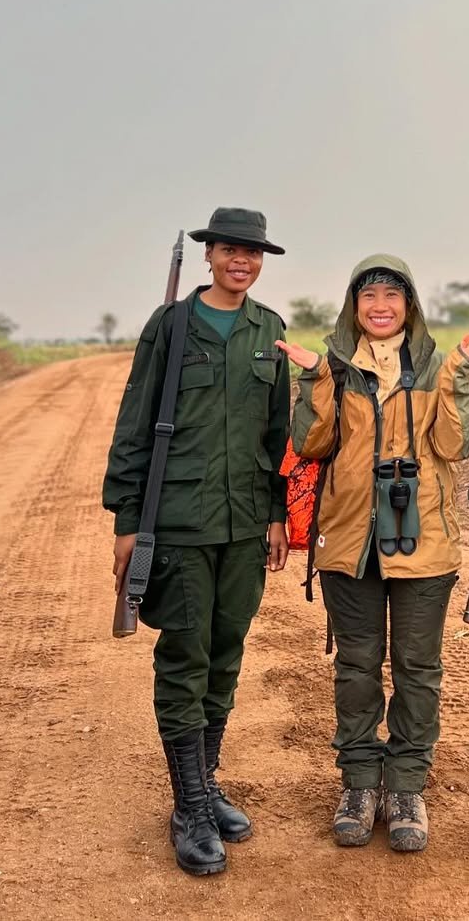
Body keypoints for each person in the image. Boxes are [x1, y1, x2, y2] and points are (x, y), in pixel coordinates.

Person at [280, 255, 469, 854]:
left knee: (417, 669)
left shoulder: (433, 366)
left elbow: (453, 445)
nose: (380, 306)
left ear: (410, 305)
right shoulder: (335, 366)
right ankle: (357, 785)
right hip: (350, 541)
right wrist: (315, 381)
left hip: (423, 543)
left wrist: (458, 378)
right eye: (369, 295)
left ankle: (405, 787)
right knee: (356, 667)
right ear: (353, 306)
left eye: (392, 295)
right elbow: (310, 443)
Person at [102, 207, 290, 877]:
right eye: (230, 249)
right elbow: (135, 421)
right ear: (209, 255)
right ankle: (188, 807)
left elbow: (278, 435)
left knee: (226, 653)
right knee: (186, 655)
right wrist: (128, 520)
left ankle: (206, 785)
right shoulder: (171, 325)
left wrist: (277, 514)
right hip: (179, 520)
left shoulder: (271, 330)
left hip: (245, 524)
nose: (242, 261)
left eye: (253, 252)